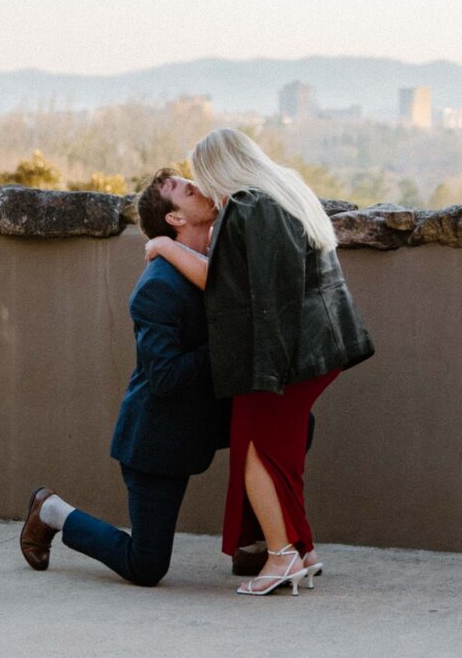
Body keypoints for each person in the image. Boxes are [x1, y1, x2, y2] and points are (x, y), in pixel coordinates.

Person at [143, 128, 375, 596]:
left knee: (255, 450)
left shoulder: (254, 207)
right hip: (309, 349)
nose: (201, 185)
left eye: (200, 175)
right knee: (280, 452)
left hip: (290, 355)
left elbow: (245, 290)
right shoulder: (276, 192)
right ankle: (302, 549)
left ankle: (281, 556)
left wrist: (166, 247)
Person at [17, 166, 231, 586]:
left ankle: (254, 545)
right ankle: (52, 511)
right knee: (147, 565)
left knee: (291, 426)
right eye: (188, 189)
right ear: (175, 219)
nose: (200, 187)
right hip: (156, 438)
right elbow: (166, 376)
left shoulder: (211, 259)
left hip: (201, 421)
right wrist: (228, 349)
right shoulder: (159, 287)